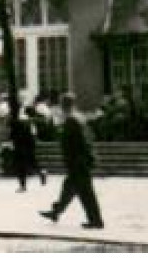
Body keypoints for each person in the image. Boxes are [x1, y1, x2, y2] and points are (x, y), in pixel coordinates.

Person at [41, 94, 104, 229]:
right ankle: (56, 212)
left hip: (78, 162)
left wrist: (76, 160)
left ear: (64, 105)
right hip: (81, 161)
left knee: (85, 193)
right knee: (69, 188)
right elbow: (89, 138)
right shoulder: (79, 118)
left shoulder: (71, 120)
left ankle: (96, 221)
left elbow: (74, 143)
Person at [9, 114, 45, 192]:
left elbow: (13, 138)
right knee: (33, 164)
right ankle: (41, 172)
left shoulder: (16, 128)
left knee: (21, 169)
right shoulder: (30, 127)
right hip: (28, 150)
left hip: (20, 150)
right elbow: (33, 139)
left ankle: (23, 186)